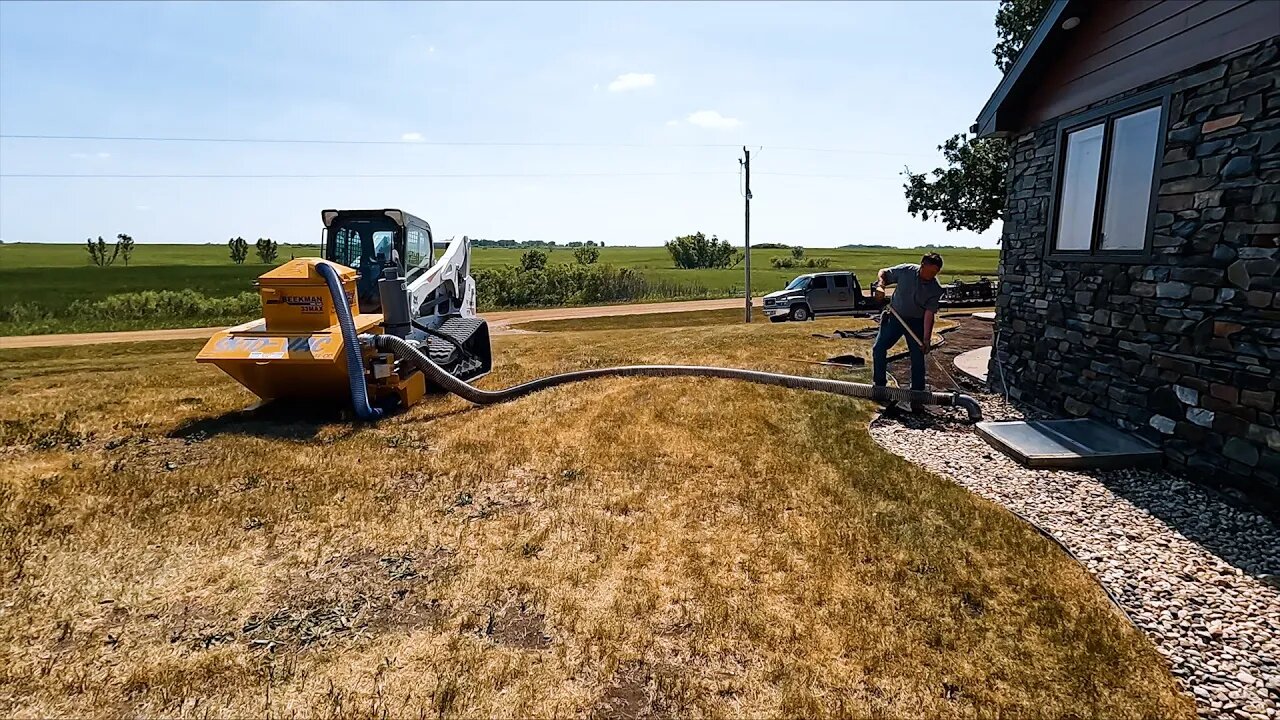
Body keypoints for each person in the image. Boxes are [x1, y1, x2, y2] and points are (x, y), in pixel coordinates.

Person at [872, 253, 944, 404]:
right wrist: (880, 286)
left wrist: (926, 339)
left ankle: (917, 395)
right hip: (895, 317)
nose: (932, 276)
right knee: (879, 348)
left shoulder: (935, 289)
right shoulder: (907, 271)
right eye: (930, 272)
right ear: (922, 266)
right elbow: (884, 272)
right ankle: (879, 388)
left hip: (916, 322)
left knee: (918, 357)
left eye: (935, 273)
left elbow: (929, 315)